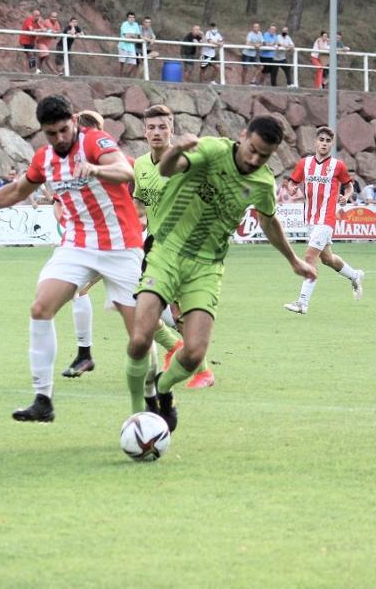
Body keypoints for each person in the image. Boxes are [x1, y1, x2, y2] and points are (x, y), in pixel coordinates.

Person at [0, 95, 148, 423]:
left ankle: (154, 398)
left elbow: (125, 170)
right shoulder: (44, 158)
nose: (60, 138)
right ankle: (43, 400)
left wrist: (96, 168)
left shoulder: (94, 141)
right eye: (51, 133)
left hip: (122, 245)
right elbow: (16, 192)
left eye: (64, 130)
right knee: (40, 308)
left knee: (139, 337)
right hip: (77, 245)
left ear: (75, 120)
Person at [126, 116, 316, 431]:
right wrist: (177, 150)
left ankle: (162, 388)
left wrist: (293, 260)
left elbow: (269, 221)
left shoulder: (262, 183)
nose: (254, 159)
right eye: (252, 149)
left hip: (206, 266)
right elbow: (166, 170)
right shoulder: (212, 150)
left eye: (264, 156)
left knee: (193, 354)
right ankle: (138, 413)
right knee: (139, 338)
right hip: (166, 251)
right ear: (243, 136)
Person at [125, 105, 212, 390]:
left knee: (178, 313)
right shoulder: (140, 165)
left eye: (163, 127)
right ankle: (177, 350)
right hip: (154, 246)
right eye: (151, 127)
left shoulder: (186, 163)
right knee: (143, 308)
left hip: (184, 246)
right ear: (144, 132)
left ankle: (202, 370)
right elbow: (140, 204)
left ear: (171, 130)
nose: (157, 132)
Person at [282, 126, 366, 315]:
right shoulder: (304, 163)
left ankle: (303, 303)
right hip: (310, 219)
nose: (324, 143)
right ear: (315, 142)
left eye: (328, 141)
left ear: (331, 144)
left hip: (327, 218)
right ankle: (355, 275)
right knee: (327, 259)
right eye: (321, 140)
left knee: (310, 258)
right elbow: (292, 183)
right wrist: (291, 189)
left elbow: (349, 186)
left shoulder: (338, 166)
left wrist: (346, 197)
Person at [117, 12, 141, 78]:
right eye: (130, 17)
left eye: (133, 17)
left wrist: (131, 35)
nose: (132, 19)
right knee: (122, 63)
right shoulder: (124, 24)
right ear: (127, 18)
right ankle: (120, 76)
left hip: (131, 46)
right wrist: (132, 35)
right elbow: (126, 36)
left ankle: (126, 76)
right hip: (123, 46)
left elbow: (137, 36)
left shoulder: (136, 25)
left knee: (133, 63)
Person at [18, 8, 42, 73]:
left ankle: (27, 71)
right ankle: (34, 70)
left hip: (31, 42)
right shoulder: (29, 19)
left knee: (28, 56)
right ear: (32, 15)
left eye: (38, 15)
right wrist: (40, 30)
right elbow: (31, 29)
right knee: (31, 55)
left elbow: (44, 29)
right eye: (36, 15)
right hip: (25, 41)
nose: (37, 17)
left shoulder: (37, 23)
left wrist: (40, 26)